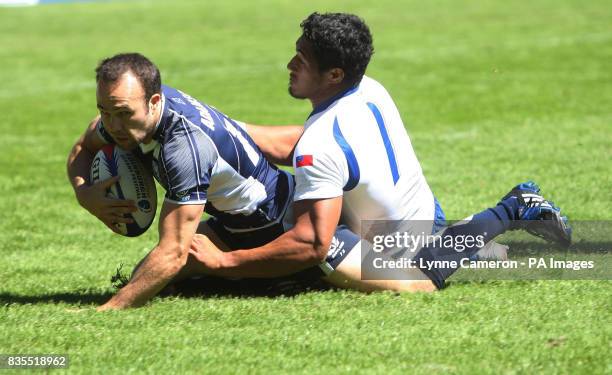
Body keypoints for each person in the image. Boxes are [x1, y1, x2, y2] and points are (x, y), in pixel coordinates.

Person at [186, 12, 572, 291]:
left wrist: (225, 263)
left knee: (412, 281)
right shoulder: (367, 86)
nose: (290, 65)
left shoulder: (321, 143)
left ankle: (512, 207)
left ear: (334, 75)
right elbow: (307, 143)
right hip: (423, 210)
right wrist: (221, 128)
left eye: (301, 60)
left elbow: (310, 243)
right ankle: (471, 245)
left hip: (395, 248)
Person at [67, 53, 307, 310]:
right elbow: (83, 147)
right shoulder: (134, 107)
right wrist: (84, 193)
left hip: (273, 224)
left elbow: (173, 252)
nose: (112, 125)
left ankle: (283, 275)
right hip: (232, 219)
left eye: (123, 113)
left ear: (154, 101)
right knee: (144, 278)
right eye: (104, 111)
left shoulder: (184, 148)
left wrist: (108, 310)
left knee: (159, 272)